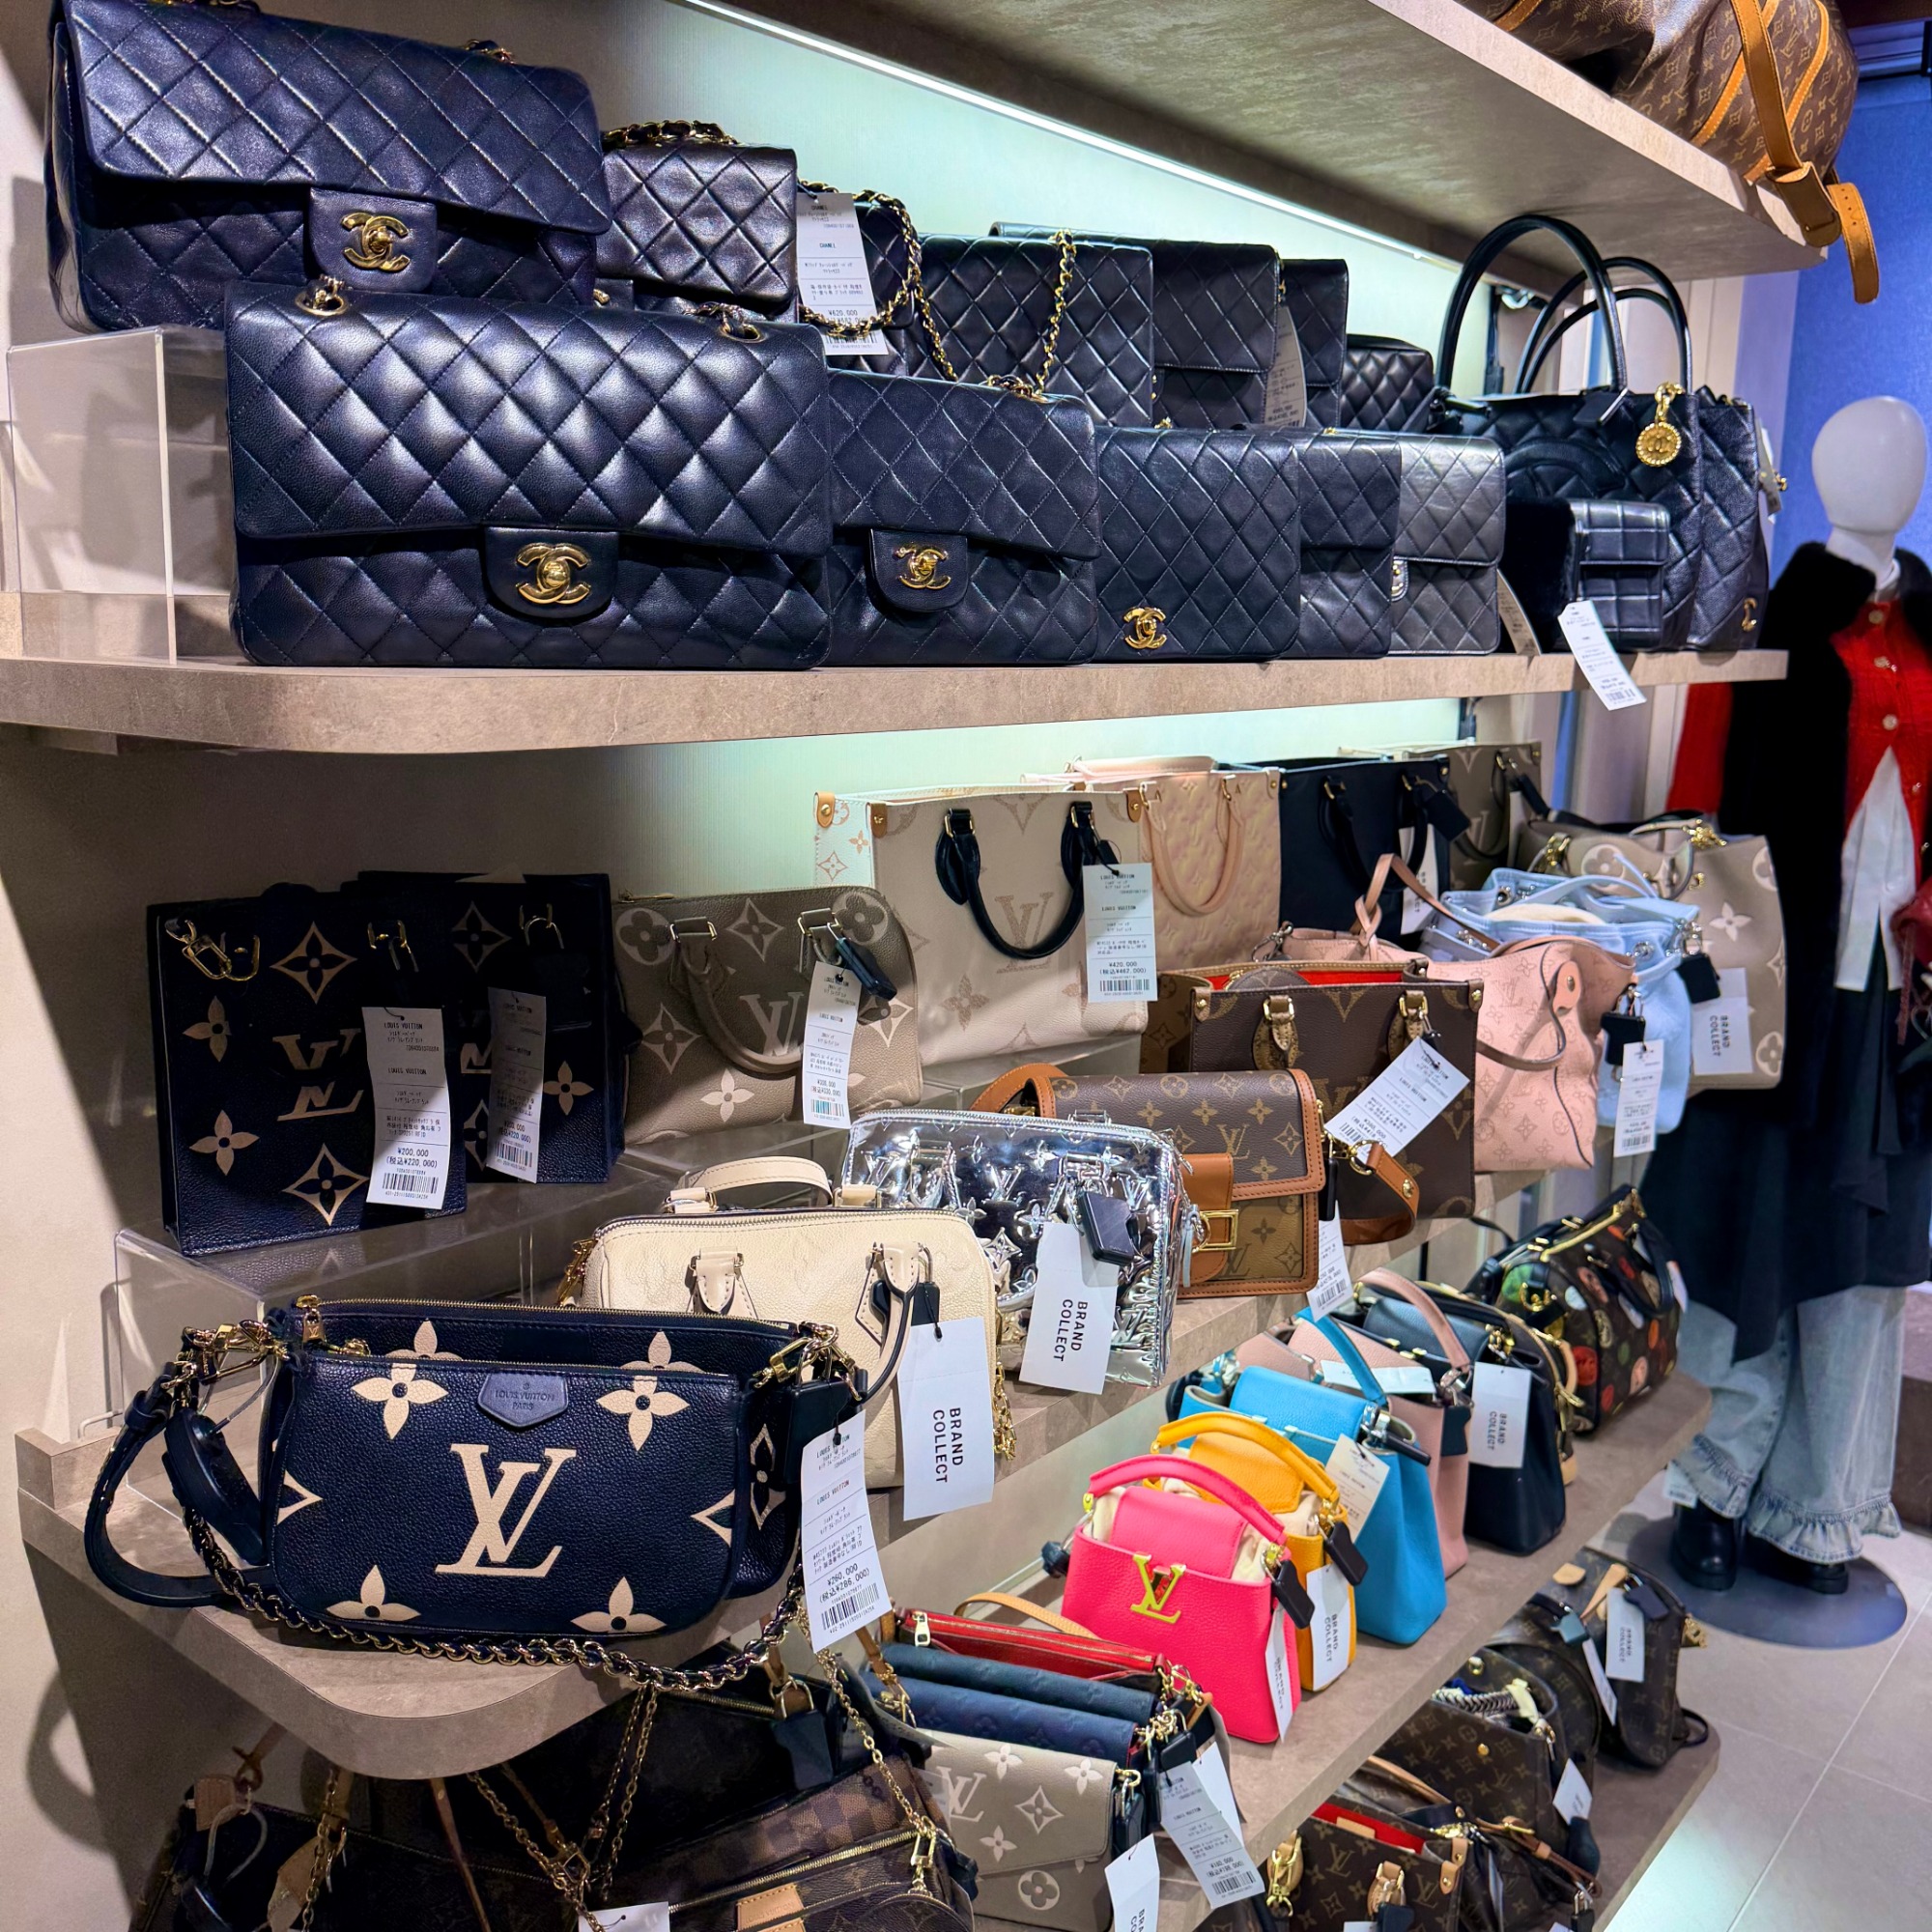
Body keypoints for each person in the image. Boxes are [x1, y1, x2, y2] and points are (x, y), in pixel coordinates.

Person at [1651, 396, 1932, 1594]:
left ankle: (1813, 1507)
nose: (1889, 476)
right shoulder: (1762, 621)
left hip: (1894, 999)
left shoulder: (1930, 634)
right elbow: (1697, 801)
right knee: (1746, 1229)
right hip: (1771, 986)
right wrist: (1703, 964)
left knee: (1860, 1258)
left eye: (1905, 460)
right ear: (1819, 473)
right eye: (1866, 458)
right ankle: (1711, 1481)